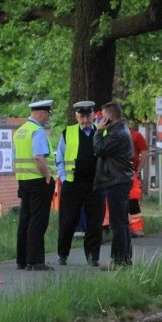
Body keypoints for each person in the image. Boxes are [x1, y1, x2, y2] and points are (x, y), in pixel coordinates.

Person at [55, 100, 102, 267]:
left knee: (94, 222)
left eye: (88, 116)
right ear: (76, 116)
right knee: (68, 220)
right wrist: (63, 178)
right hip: (73, 184)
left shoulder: (101, 132)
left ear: (93, 115)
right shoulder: (68, 132)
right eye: (81, 116)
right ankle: (62, 254)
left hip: (95, 184)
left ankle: (92, 257)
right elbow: (59, 158)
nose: (85, 120)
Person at [13, 100, 56, 271]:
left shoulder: (20, 131)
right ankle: (35, 260)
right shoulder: (37, 132)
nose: (47, 119)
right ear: (42, 113)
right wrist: (47, 176)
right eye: (47, 115)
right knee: (38, 220)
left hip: (23, 180)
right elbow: (39, 158)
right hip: (38, 181)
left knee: (25, 219)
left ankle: (21, 260)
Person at [94, 102, 134, 268]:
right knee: (122, 222)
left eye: (103, 117)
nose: (101, 120)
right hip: (120, 179)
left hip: (116, 181)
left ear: (109, 118)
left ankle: (118, 260)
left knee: (117, 223)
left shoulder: (117, 133)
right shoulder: (120, 130)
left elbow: (99, 149)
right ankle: (125, 258)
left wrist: (98, 131)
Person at [128, 122, 149, 238]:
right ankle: (134, 228)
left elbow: (144, 152)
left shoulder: (135, 136)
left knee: (132, 201)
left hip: (131, 173)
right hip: (127, 173)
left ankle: (136, 229)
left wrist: (138, 170)